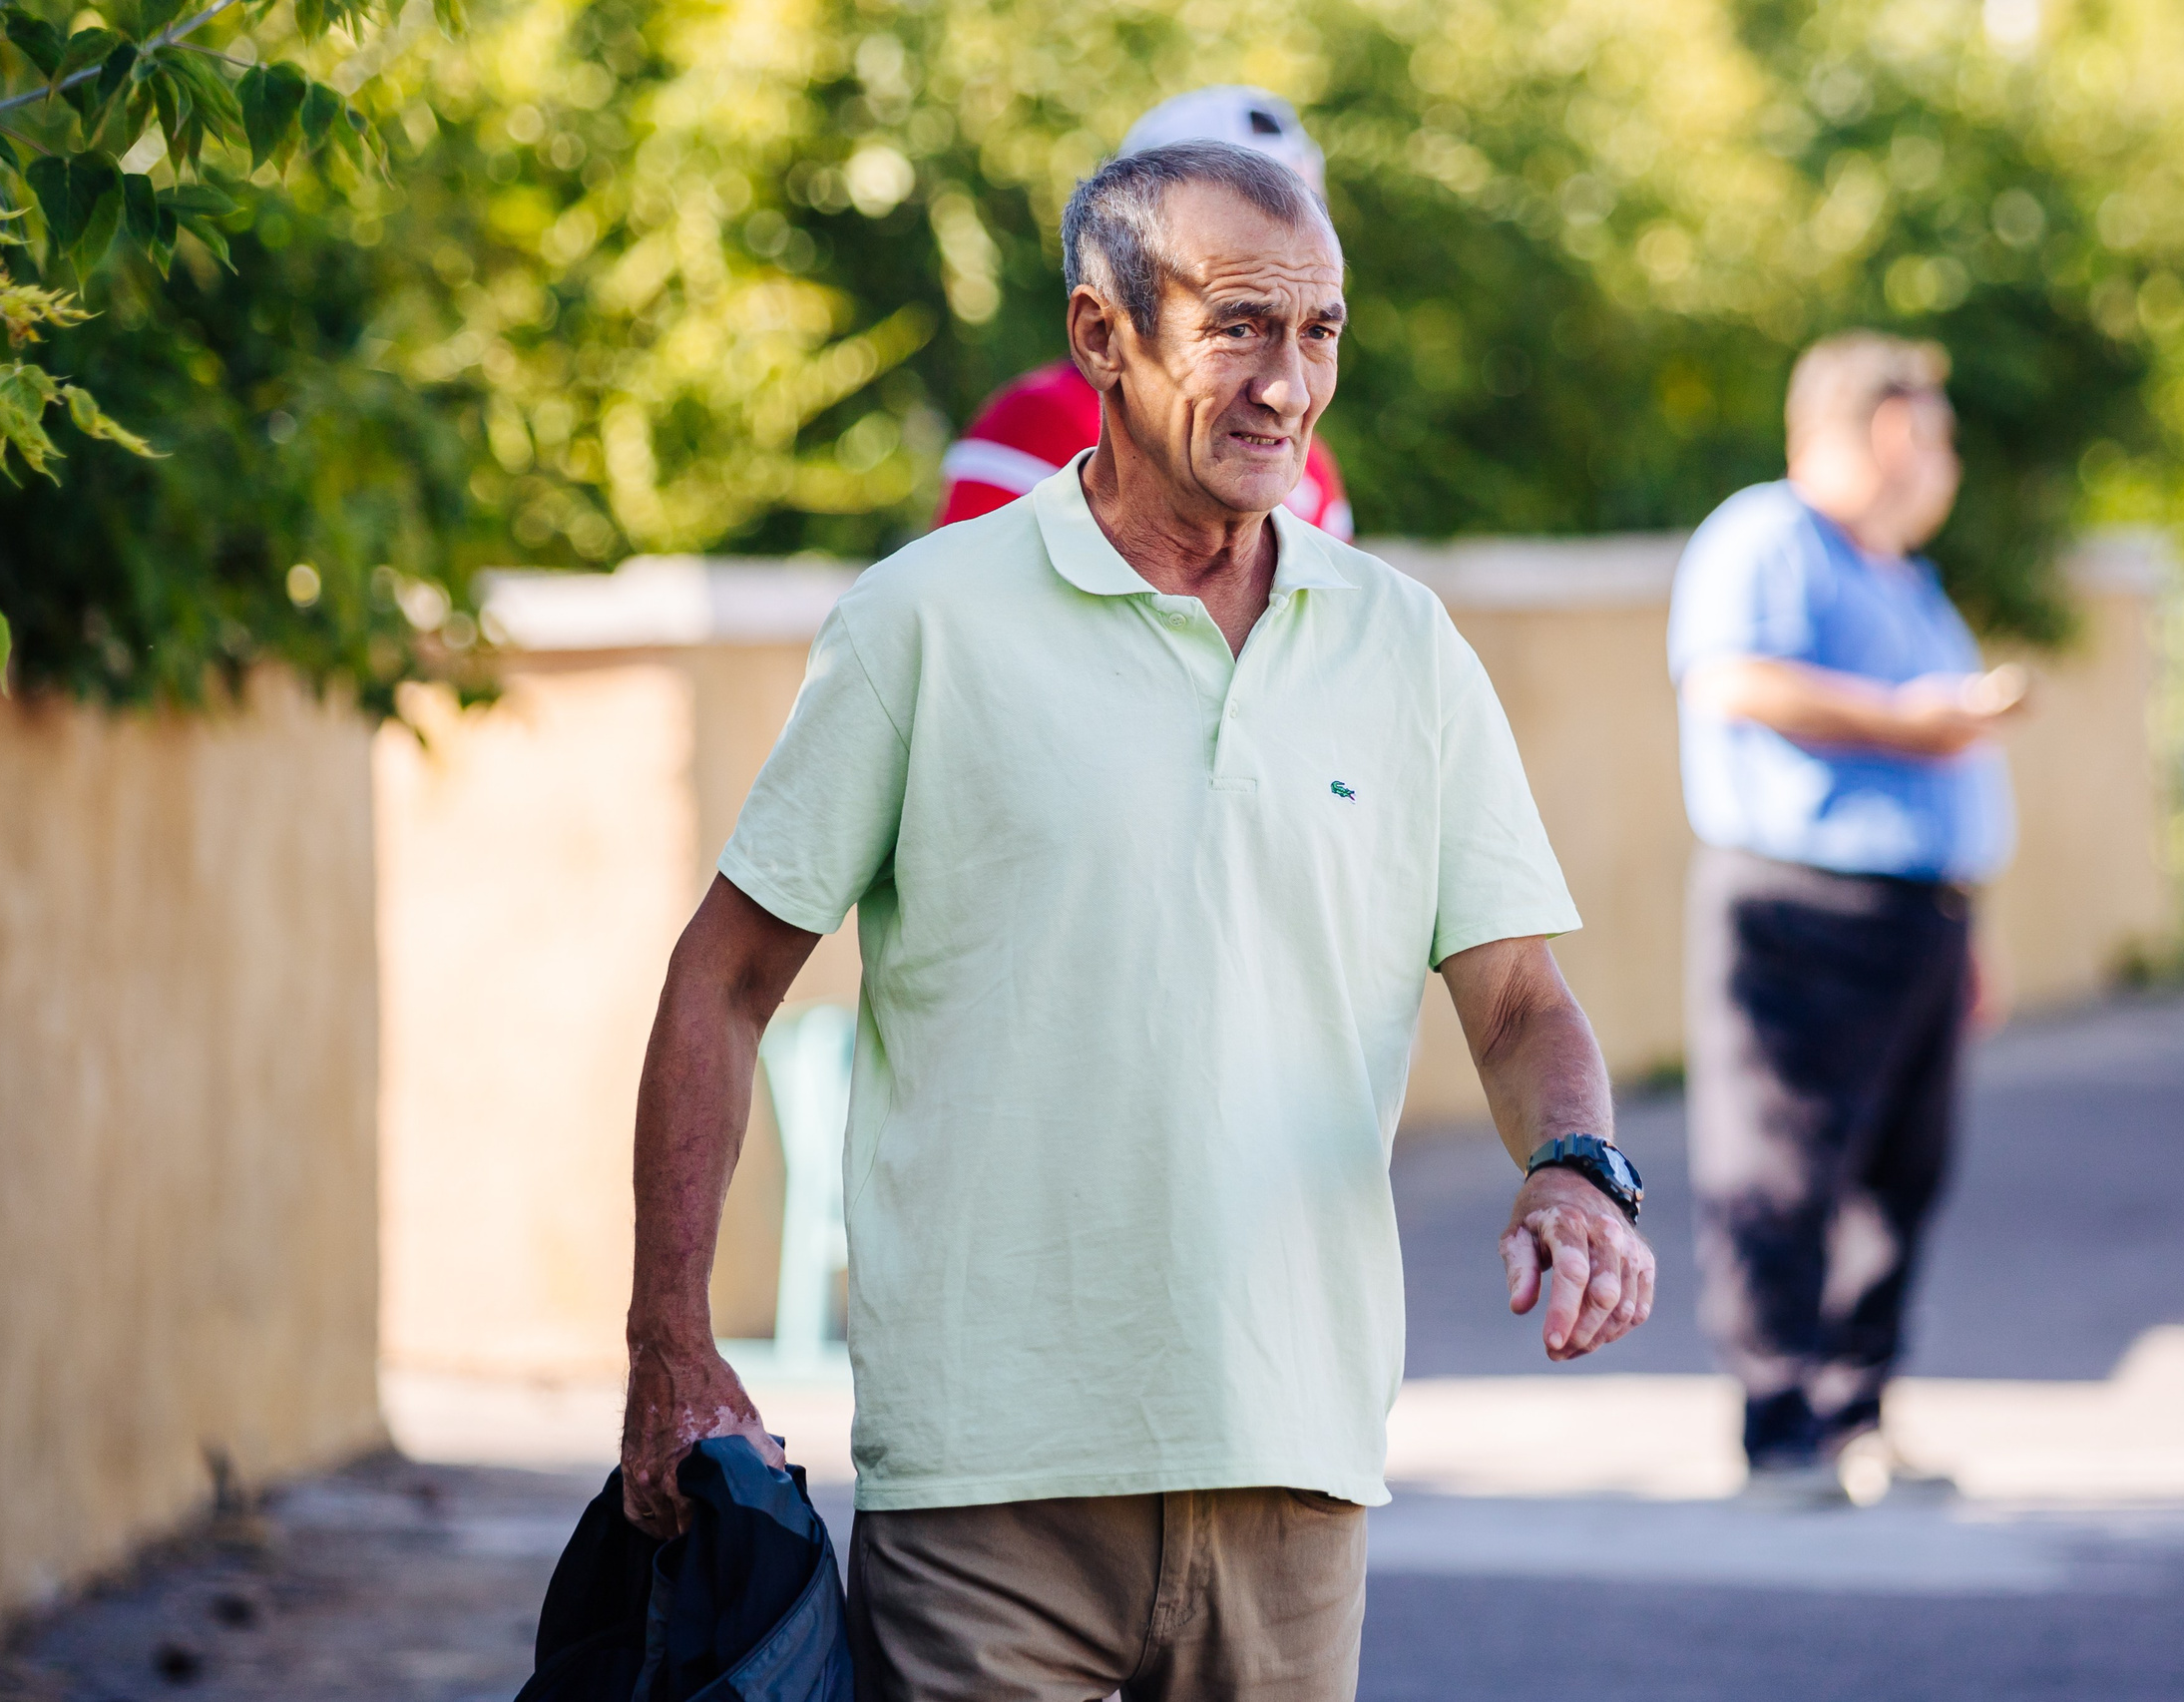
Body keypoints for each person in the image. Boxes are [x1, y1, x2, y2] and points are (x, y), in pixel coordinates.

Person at [621, 141, 1654, 1701]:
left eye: (1319, 333)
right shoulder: (925, 623)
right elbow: (723, 980)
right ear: (1102, 334)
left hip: (1295, 1462)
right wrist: (671, 1340)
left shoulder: (1404, 647)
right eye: (1238, 324)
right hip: (987, 1485)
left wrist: (1577, 1165)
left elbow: (1517, 1000)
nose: (1286, 383)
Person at [1666, 330, 2025, 1501]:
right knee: (1781, 1173)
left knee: (1900, 1179)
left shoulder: (1896, 571)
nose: (1945, 460)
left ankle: (1853, 1413)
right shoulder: (1768, 535)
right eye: (1933, 433)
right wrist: (1908, 718)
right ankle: (1778, 1430)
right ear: (1881, 431)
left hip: (1914, 918)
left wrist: (1968, 926)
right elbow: (1733, 679)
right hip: (1801, 908)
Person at [935, 86, 1356, 540]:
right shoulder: (1039, 422)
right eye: (1237, 328)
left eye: (1308, 208)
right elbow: (964, 595)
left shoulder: (1306, 460)